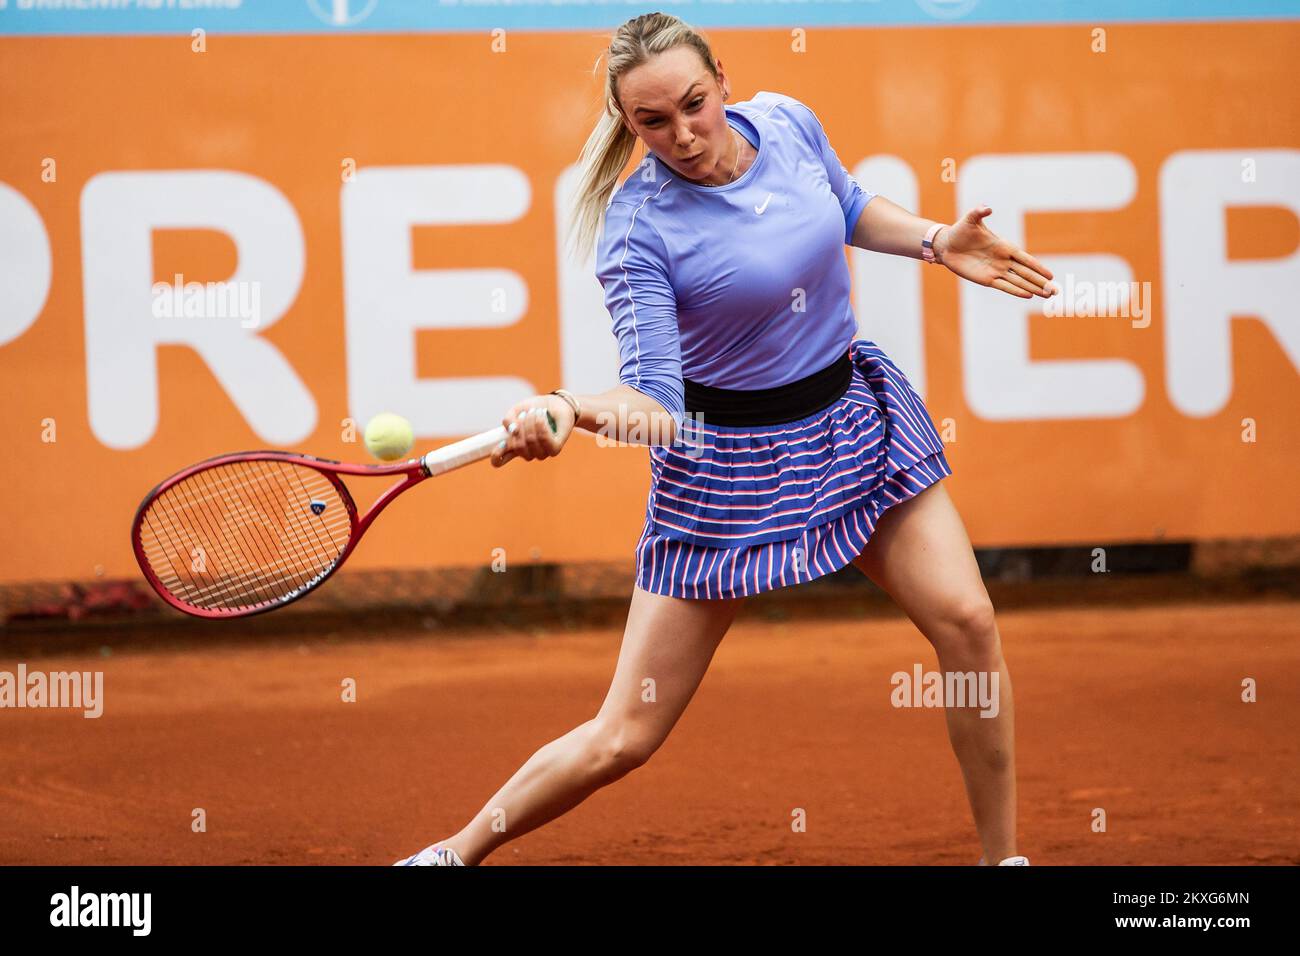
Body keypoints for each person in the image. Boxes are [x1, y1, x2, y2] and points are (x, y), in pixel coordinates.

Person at [394, 11, 1055, 867]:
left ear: (724, 82)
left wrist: (934, 241)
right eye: (652, 122)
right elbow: (657, 404)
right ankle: (453, 853)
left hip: (853, 424)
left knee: (967, 621)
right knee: (626, 735)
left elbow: (845, 204)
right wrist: (572, 406)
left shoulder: (784, 121)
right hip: (729, 470)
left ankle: (1004, 860)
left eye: (694, 105)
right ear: (627, 124)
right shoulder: (638, 231)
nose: (683, 135)